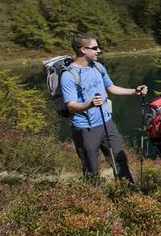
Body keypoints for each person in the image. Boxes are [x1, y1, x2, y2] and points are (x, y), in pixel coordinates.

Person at [61, 33, 147, 182]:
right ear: (82, 50)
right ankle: (94, 201)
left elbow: (111, 88)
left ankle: (129, 195)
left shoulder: (98, 67)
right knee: (91, 170)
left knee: (120, 161)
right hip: (85, 129)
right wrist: (90, 104)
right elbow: (71, 106)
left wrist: (134, 91)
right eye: (94, 48)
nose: (99, 50)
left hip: (107, 123)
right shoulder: (68, 75)